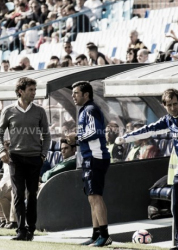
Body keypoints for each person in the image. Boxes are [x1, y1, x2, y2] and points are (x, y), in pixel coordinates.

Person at [115, 88, 178, 250]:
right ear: (164, 106)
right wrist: (126, 138)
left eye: (175, 104)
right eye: (169, 105)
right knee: (176, 207)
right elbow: (148, 129)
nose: (173, 108)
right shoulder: (168, 120)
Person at [0, 77, 51, 241]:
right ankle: (21, 230)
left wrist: (43, 154)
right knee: (18, 194)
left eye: (35, 90)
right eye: (31, 90)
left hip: (35, 158)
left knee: (32, 194)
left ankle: (31, 229)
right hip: (16, 158)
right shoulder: (9, 110)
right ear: (21, 91)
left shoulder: (39, 111)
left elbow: (47, 135)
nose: (34, 93)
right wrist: (1, 150)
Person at [67, 81, 112, 247]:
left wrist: (76, 137)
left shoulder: (91, 109)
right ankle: (96, 234)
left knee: (95, 196)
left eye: (76, 93)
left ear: (86, 94)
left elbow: (94, 132)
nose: (73, 96)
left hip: (96, 157)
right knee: (92, 197)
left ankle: (105, 236)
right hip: (90, 158)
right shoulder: (84, 110)